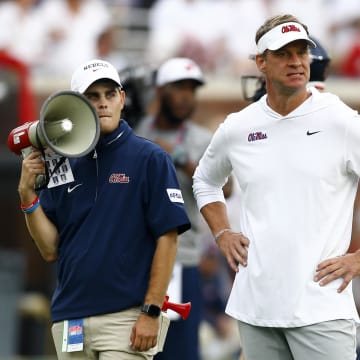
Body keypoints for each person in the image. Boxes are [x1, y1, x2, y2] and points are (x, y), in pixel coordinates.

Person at [193, 13, 360, 360]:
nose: (297, 61)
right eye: (284, 53)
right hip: (256, 310)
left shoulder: (341, 120)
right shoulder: (238, 126)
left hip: (323, 310)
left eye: (302, 52)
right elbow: (205, 181)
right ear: (261, 62)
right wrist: (222, 232)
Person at [17, 58, 191, 359]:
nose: (103, 103)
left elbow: (168, 238)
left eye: (110, 95)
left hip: (126, 319)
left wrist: (150, 311)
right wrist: (27, 196)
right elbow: (49, 250)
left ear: (122, 99)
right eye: (92, 97)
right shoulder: (61, 162)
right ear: (76, 106)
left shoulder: (150, 158)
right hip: (69, 318)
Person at [135, 57, 225, 360]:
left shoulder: (201, 139)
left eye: (192, 88)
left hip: (180, 259)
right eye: (178, 87)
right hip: (133, 258)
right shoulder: (136, 131)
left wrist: (180, 157)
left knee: (179, 350)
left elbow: (226, 188)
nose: (186, 95)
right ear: (160, 90)